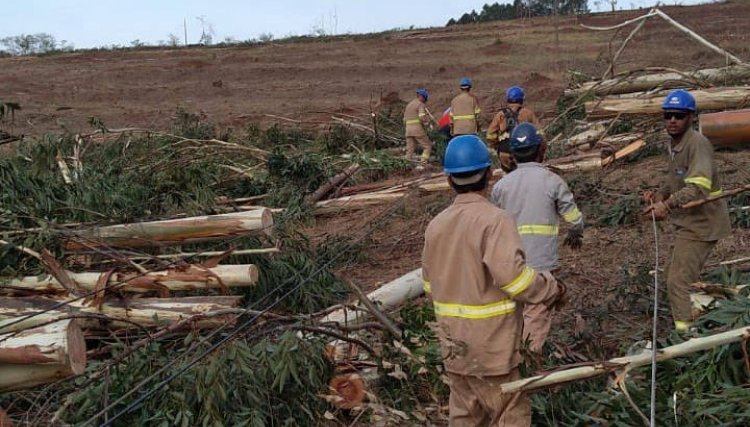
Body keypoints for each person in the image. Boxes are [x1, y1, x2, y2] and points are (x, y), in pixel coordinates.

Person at [422, 134, 564, 426]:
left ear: (448, 179)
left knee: (464, 419)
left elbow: (429, 287)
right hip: (492, 350)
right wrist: (552, 288)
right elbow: (516, 281)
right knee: (510, 417)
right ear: (489, 174)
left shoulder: (436, 225)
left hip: (454, 349)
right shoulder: (494, 220)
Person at [643, 89, 731, 333]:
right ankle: (694, 311)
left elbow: (698, 187)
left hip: (703, 223)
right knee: (672, 274)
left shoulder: (698, 144)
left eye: (679, 116)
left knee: (678, 281)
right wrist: (659, 194)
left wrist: (667, 205)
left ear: (691, 117)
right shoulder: (674, 144)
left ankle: (686, 336)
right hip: (689, 223)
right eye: (668, 115)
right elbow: (676, 179)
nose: (672, 120)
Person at [490, 123, 583, 354]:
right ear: (541, 150)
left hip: (509, 261)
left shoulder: (501, 187)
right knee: (537, 308)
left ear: (513, 154)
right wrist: (576, 232)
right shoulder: (553, 181)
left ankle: (510, 355)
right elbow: (574, 219)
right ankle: (530, 362)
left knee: (513, 309)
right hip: (542, 262)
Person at [486, 86, 541, 173]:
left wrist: (497, 146)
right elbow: (540, 134)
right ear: (522, 99)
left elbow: (490, 135)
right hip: (525, 150)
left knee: (508, 175)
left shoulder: (500, 115)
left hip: (505, 151)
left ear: (508, 99)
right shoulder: (528, 113)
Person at [403, 89, 433, 162]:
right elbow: (422, 116)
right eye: (425, 99)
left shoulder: (409, 104)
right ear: (422, 97)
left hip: (408, 130)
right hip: (417, 130)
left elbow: (404, 119)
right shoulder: (420, 104)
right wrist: (428, 123)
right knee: (427, 146)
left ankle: (407, 162)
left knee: (410, 149)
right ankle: (423, 161)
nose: (425, 101)